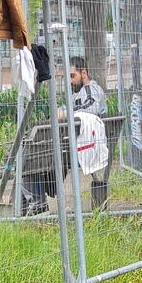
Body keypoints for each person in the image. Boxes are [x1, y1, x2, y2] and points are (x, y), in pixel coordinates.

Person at [23, 56, 108, 215]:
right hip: (73, 148)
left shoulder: (90, 89)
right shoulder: (80, 93)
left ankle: (38, 205)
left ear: (84, 73)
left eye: (72, 76)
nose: (70, 81)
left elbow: (91, 109)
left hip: (80, 149)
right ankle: (35, 204)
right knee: (29, 154)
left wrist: (65, 113)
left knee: (28, 155)